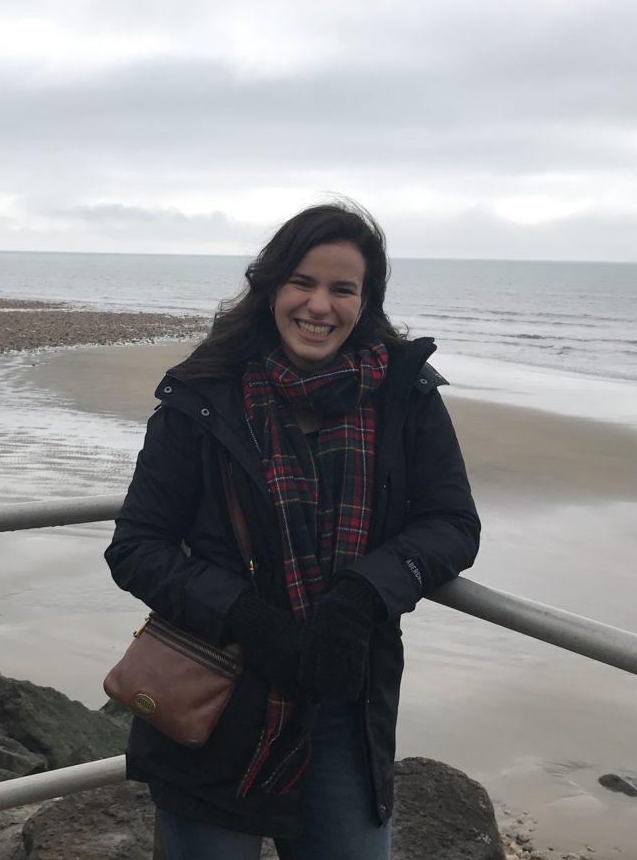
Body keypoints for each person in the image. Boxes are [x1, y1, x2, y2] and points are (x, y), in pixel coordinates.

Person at [105, 202, 480, 859]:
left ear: (367, 302)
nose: (320, 305)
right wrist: (250, 617)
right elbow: (137, 548)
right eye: (303, 282)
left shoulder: (405, 396)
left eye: (343, 288)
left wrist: (363, 596)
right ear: (271, 287)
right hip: (215, 695)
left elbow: (451, 524)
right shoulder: (204, 396)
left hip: (344, 700)